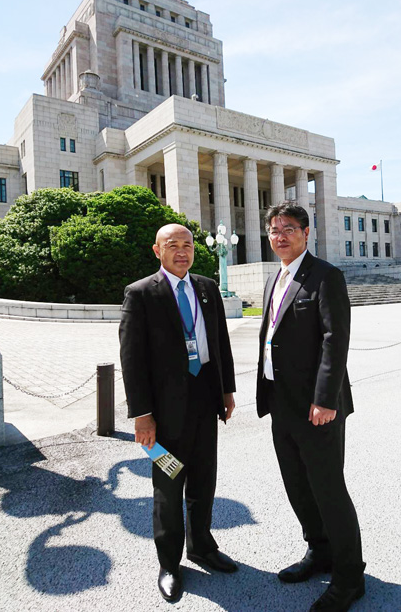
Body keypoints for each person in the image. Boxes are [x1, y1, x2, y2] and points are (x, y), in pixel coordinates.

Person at [256, 202, 365, 612]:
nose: (279, 235)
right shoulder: (274, 280)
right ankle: (318, 551)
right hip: (280, 401)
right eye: (273, 229)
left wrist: (323, 399)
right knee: (297, 486)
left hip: (316, 407)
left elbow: (335, 342)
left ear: (306, 233)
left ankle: (350, 578)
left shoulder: (325, 276)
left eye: (288, 228)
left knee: (328, 489)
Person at [119, 223, 237, 602]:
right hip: (164, 415)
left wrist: (227, 390)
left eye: (187, 245)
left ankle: (201, 546)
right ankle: (170, 564)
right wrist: (142, 415)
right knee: (168, 489)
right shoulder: (141, 294)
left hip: (205, 400)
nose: (182, 251)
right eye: (173, 245)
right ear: (158, 250)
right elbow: (132, 359)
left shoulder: (207, 288)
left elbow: (220, 341)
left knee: (204, 482)